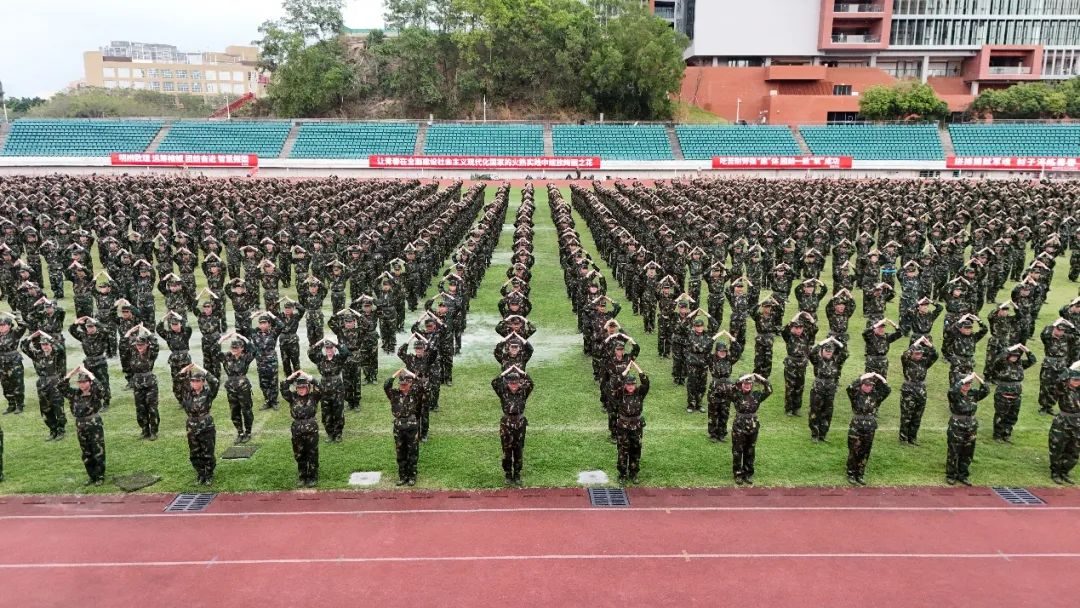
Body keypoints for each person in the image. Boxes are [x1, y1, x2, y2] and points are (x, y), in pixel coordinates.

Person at [986, 344, 1037, 443]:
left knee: (1012, 415)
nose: (1015, 357)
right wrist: (1010, 348)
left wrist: (1026, 350)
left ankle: (1006, 434)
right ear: (1008, 355)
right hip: (1003, 392)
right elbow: (998, 358)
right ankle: (997, 435)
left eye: (1017, 356)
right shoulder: (1002, 364)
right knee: (1001, 414)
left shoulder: (1020, 364)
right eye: (1013, 355)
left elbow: (1033, 361)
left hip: (1017, 393)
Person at [20, 330, 67, 440]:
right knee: (45, 409)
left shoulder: (57, 354)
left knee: (58, 408)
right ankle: (52, 430)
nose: (44, 347)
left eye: (46, 344)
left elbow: (60, 347)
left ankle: (61, 430)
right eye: (42, 345)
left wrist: (47, 336)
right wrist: (32, 336)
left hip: (56, 383)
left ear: (50, 345)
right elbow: (23, 347)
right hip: (42, 384)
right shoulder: (37, 355)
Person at [845, 373, 890, 486]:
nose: (868, 387)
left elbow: (887, 390)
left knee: (865, 452)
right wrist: (862, 377)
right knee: (854, 451)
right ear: (862, 385)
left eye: (870, 385)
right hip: (857, 426)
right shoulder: (856, 395)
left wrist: (881, 378)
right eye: (866, 385)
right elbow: (849, 387)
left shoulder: (875, 396)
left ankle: (860, 474)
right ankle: (851, 474)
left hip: (870, 427)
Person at [491, 367, 534, 485]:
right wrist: (507, 371)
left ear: (519, 382)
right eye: (511, 383)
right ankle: (508, 474)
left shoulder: (523, 392)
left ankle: (517, 474)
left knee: (519, 449)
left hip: (520, 424)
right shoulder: (503, 391)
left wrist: (521, 372)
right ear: (507, 383)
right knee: (507, 450)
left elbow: (531, 383)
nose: (513, 385)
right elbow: (494, 382)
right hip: (506, 424)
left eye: (516, 382)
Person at [64, 368, 106, 485]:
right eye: (80, 382)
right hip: (80, 425)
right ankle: (91, 476)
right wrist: (72, 373)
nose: (82, 385)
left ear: (89, 382)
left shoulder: (95, 394)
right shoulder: (74, 394)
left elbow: (101, 388)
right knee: (86, 452)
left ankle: (100, 476)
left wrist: (89, 373)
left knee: (98, 450)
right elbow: (61, 387)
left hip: (94, 424)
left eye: (84, 382)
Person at [728, 374, 771, 485]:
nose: (747, 386)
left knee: (750, 451)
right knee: (737, 451)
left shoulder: (756, 395)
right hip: (739, 426)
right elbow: (729, 389)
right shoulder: (736, 395)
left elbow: (769, 390)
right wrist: (740, 379)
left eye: (749, 384)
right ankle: (738, 474)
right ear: (741, 384)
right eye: (745, 384)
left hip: (753, 426)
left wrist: (762, 379)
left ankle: (747, 473)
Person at [946, 373, 989, 486]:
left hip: (971, 426)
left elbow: (986, 390)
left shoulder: (973, 394)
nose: (967, 386)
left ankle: (963, 475)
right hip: (957, 426)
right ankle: (951, 475)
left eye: (969, 383)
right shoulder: (955, 394)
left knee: (968, 452)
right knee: (954, 451)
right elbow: (952, 391)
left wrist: (977, 378)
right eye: (965, 383)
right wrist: (963, 380)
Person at [180, 366, 219, 485]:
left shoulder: (208, 392)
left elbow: (215, 381)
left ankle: (209, 475)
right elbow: (179, 380)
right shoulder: (187, 392)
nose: (194, 383)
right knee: (195, 452)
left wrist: (200, 368)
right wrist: (185, 369)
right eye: (192, 381)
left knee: (207, 451)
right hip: (191, 426)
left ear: (203, 382)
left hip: (206, 425)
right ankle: (200, 474)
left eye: (197, 381)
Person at [281, 371, 321, 487]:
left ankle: (313, 476)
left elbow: (320, 386)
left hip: (311, 430)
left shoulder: (314, 397)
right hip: (297, 430)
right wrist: (292, 376)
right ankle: (303, 476)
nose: (301, 390)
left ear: (308, 387)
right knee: (299, 454)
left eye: (303, 387)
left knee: (312, 453)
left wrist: (308, 376)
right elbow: (283, 387)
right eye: (299, 388)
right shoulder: (292, 397)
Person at [898, 337, 938, 445]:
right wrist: (916, 343)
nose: (918, 355)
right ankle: (903, 439)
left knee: (917, 416)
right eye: (916, 353)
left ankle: (912, 438)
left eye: (920, 354)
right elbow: (904, 354)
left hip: (921, 391)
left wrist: (929, 345)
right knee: (906, 416)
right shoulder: (907, 361)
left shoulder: (924, 362)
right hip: (908, 390)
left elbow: (935, 355)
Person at [614, 362, 649, 484]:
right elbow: (615, 382)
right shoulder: (620, 393)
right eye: (628, 384)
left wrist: (638, 368)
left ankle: (634, 473)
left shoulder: (639, 393)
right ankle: (622, 474)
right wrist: (626, 370)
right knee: (623, 451)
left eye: (632, 384)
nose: (630, 386)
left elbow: (646, 383)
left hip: (636, 426)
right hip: (623, 426)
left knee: (635, 450)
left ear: (635, 384)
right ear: (625, 385)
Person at [385, 369, 422, 486]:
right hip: (399, 428)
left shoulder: (414, 393)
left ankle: (412, 476)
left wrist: (411, 374)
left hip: (412, 427)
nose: (402, 386)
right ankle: (402, 476)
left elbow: (421, 384)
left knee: (412, 453)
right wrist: (396, 374)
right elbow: (386, 385)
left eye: (405, 384)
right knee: (400, 453)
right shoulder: (394, 394)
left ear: (410, 384)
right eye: (401, 384)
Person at [808, 338, 848, 442]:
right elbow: (811, 352)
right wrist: (824, 341)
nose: (829, 353)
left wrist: (837, 342)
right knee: (815, 412)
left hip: (830, 390)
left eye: (830, 351)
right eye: (826, 351)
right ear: (822, 351)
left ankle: (823, 434)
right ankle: (814, 435)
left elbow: (845, 352)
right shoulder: (817, 360)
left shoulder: (836, 361)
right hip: (818, 390)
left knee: (827, 412)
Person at [310, 338, 350, 443]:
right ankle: (330, 434)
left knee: (338, 412)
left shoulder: (338, 359)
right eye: (326, 347)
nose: (328, 349)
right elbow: (310, 352)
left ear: (334, 349)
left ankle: (338, 434)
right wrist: (320, 341)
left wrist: (335, 343)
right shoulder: (320, 359)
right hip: (324, 389)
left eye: (330, 347)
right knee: (326, 412)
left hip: (337, 390)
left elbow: (345, 352)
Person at [219, 335, 256, 443]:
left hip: (243, 388)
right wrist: (222, 339)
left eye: (237, 348)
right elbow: (213, 350)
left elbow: (254, 349)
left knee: (246, 411)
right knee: (234, 411)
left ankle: (248, 432)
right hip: (231, 388)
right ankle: (240, 432)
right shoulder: (226, 357)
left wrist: (243, 337)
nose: (234, 350)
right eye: (233, 348)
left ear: (242, 348)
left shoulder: (246, 357)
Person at [706, 335, 742, 442]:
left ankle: (721, 433)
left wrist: (733, 339)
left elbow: (739, 351)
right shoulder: (711, 359)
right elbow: (706, 348)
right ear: (716, 351)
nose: (723, 353)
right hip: (715, 389)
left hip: (727, 389)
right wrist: (713, 338)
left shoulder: (729, 360)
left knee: (724, 412)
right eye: (721, 351)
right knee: (713, 412)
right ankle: (713, 434)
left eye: (724, 351)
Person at [126, 331, 160, 440]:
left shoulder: (151, 354)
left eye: (141, 345)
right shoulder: (133, 353)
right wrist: (131, 331)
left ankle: (153, 431)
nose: (139, 347)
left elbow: (155, 343)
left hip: (150, 384)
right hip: (137, 384)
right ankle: (144, 430)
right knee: (140, 408)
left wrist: (147, 331)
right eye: (137, 345)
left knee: (152, 408)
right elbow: (123, 342)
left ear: (146, 344)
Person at [1050, 365, 1080, 484]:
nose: (1077, 382)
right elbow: (1058, 381)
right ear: (1068, 380)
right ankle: (1055, 472)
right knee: (1057, 447)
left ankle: (1065, 471)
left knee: (1074, 449)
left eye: (1079, 380)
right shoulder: (1063, 390)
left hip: (1077, 423)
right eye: (1075, 380)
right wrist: (1070, 369)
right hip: (1063, 421)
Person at [0, 315, 27, 416]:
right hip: (1, 364)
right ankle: (11, 404)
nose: (1, 327)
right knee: (5, 384)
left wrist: (13, 316)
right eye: (0, 325)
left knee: (17, 384)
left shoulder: (15, 334)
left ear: (9, 326)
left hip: (14, 363)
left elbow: (23, 325)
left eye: (3, 325)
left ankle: (20, 404)